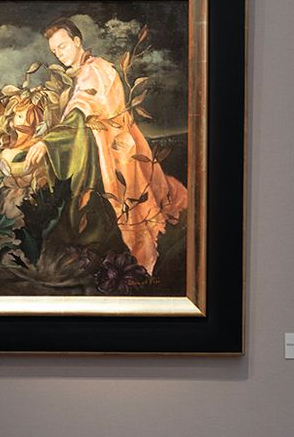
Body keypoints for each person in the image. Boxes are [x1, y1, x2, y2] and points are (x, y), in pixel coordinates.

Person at [20, 19, 187, 275]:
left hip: (113, 155)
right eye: (55, 51)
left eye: (63, 46)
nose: (60, 53)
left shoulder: (96, 70)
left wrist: (48, 143)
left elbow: (81, 116)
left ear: (77, 42)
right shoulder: (84, 72)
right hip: (102, 152)